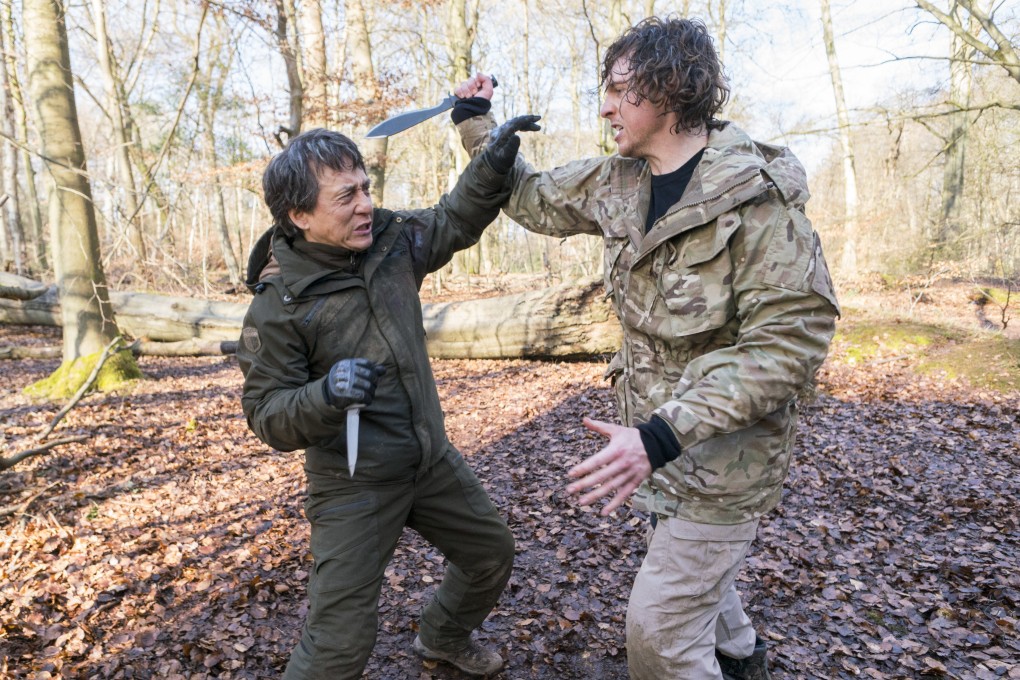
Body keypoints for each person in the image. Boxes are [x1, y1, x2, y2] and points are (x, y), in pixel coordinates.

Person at [452, 16, 840, 680]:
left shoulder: (757, 202)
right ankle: (743, 659)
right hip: (654, 451)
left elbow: (788, 345)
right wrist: (475, 124)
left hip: (723, 464)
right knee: (693, 586)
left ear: (670, 89)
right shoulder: (618, 180)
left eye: (620, 89)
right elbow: (534, 199)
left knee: (659, 636)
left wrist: (661, 436)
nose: (604, 105)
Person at [236, 120, 538, 679]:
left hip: (427, 458)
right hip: (354, 483)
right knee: (338, 646)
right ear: (299, 215)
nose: (365, 205)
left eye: (366, 187)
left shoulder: (391, 244)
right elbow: (266, 414)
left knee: (490, 554)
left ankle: (443, 635)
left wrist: (491, 161)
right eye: (346, 195)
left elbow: (453, 219)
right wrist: (325, 394)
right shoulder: (279, 304)